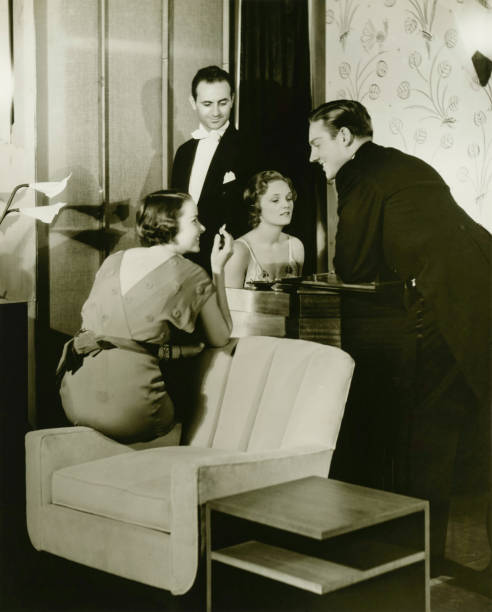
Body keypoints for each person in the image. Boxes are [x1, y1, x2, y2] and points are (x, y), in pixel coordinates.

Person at [308, 99, 491, 573]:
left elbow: (354, 263)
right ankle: (428, 558)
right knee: (467, 432)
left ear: (345, 137)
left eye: (317, 143)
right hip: (480, 293)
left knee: (426, 436)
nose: (313, 156)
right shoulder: (400, 162)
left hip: (449, 306)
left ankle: (418, 560)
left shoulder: (360, 175)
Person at [57, 190, 233, 444]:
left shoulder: (113, 260)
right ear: (169, 224)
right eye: (194, 220)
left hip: (74, 400)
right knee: (187, 403)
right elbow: (221, 336)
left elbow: (123, 340)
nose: (203, 228)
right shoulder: (191, 273)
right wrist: (218, 269)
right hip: (133, 412)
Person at [171, 65, 249, 272]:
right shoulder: (183, 152)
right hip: (185, 259)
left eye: (222, 103)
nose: (216, 112)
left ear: (232, 99)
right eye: (207, 104)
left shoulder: (249, 148)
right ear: (192, 102)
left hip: (227, 260)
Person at [225, 170, 304, 288]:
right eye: (275, 200)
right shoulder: (239, 251)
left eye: (289, 198)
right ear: (256, 205)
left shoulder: (295, 247)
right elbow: (227, 305)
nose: (286, 205)